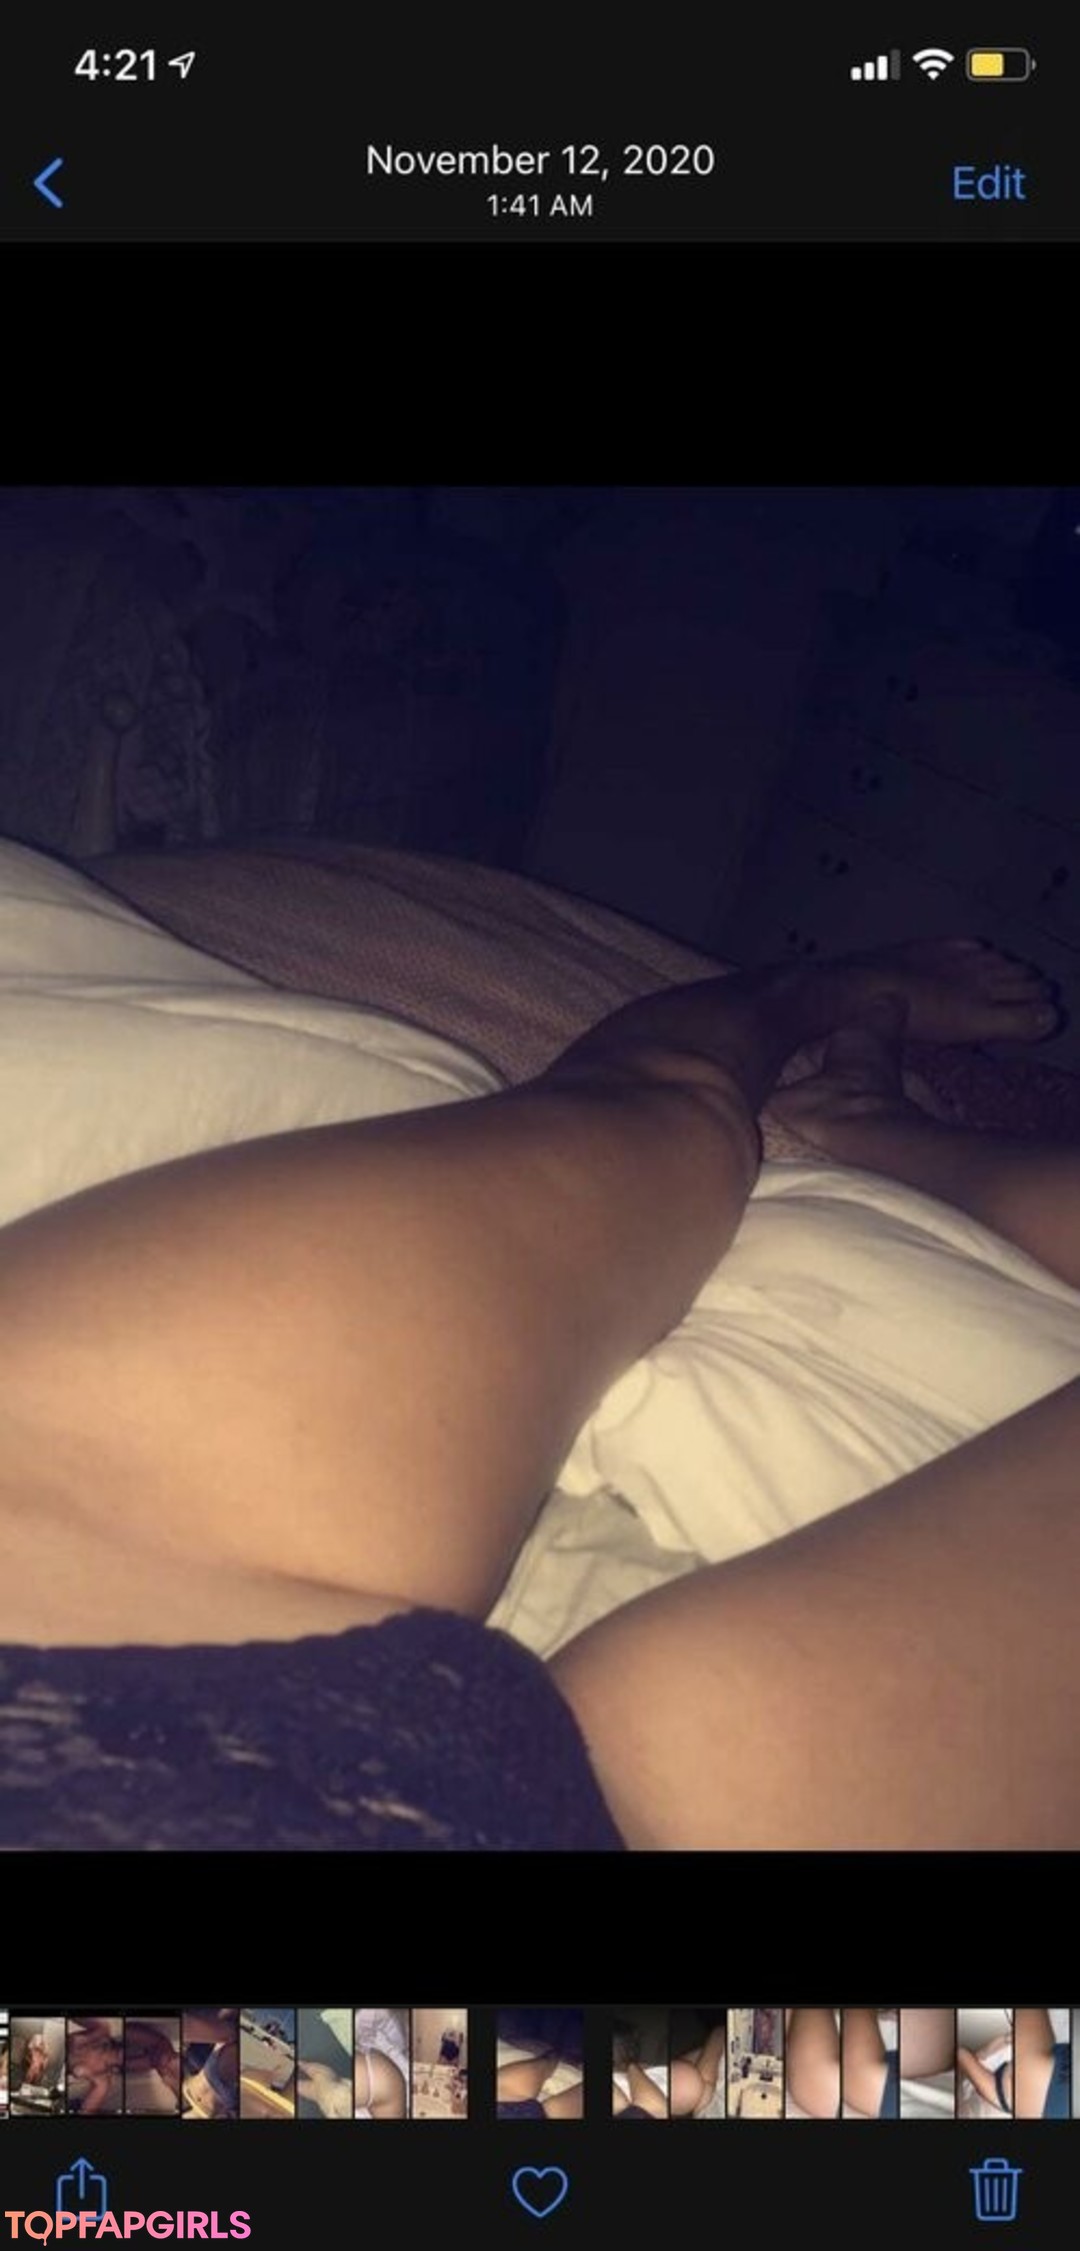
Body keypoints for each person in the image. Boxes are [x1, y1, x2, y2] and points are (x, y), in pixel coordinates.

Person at [0, 935, 1077, 1851]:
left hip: (56, 1634)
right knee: (709, 1735)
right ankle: (881, 1123)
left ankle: (823, 1012)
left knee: (660, 1114)